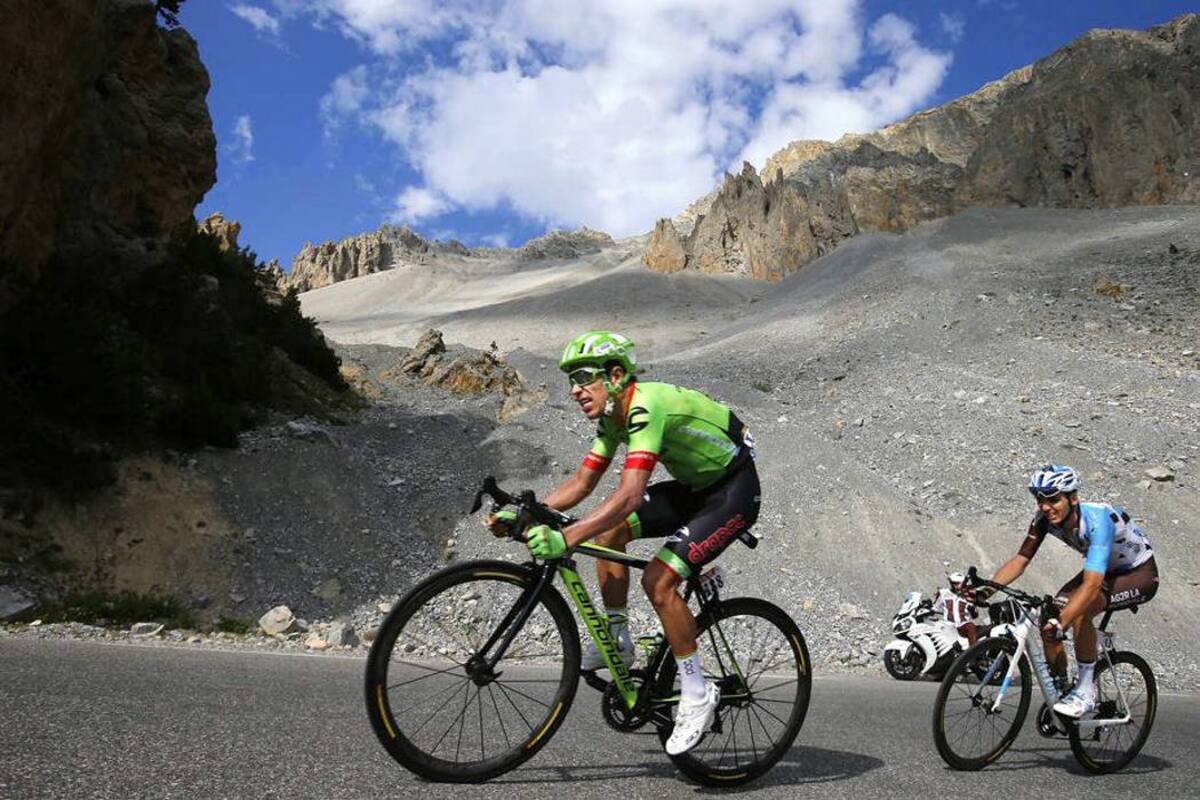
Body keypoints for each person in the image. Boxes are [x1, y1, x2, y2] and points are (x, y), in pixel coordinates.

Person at [485, 331, 760, 755]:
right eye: (570, 381)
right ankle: (618, 637)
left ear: (615, 376)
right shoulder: (613, 417)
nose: (575, 390)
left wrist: (568, 536)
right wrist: (528, 511)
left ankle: (697, 692)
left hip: (733, 492)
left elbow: (630, 493)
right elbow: (582, 482)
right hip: (693, 488)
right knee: (611, 530)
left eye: (583, 378)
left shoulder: (645, 405)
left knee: (659, 579)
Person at [986, 465, 1158, 717]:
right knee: (1051, 614)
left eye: (1054, 499)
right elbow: (1021, 560)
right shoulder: (1043, 519)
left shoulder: (1099, 520)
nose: (1046, 507)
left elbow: (1091, 586)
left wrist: (1063, 622)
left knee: (1079, 613)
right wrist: (985, 591)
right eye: (1040, 500)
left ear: (1073, 498)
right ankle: (1061, 688)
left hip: (1137, 573)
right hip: (1102, 569)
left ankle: (1086, 691)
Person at [933, 572, 979, 646]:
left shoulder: (968, 595)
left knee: (971, 626)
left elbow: (975, 615)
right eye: (953, 583)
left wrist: (973, 609)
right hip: (948, 624)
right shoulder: (943, 593)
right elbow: (935, 608)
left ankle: (975, 652)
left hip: (962, 625)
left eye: (957, 583)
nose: (954, 585)